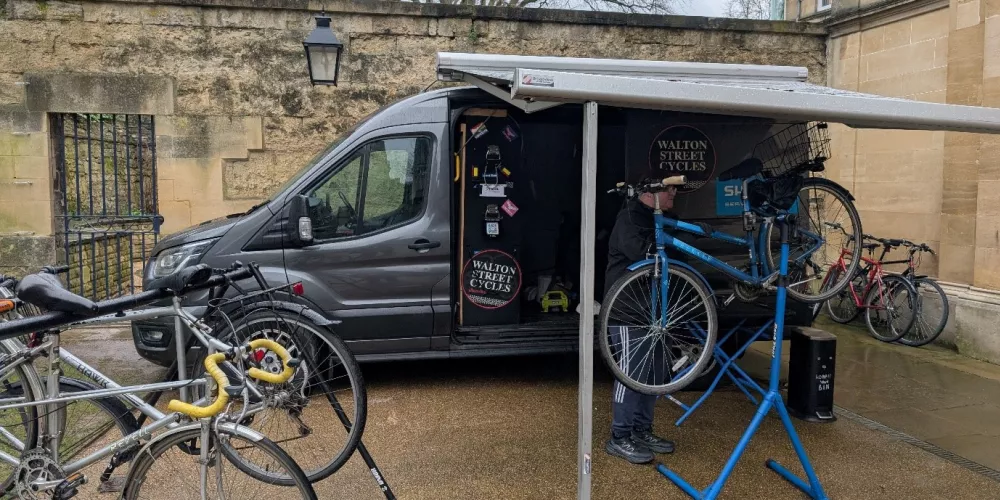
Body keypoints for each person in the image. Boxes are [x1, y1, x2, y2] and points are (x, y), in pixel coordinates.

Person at [603, 181, 679, 464]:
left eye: (675, 189)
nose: (673, 194)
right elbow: (643, 252)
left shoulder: (658, 218)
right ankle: (619, 436)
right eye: (668, 188)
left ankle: (642, 429)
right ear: (649, 193)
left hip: (654, 311)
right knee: (629, 374)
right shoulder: (630, 217)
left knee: (653, 374)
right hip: (627, 310)